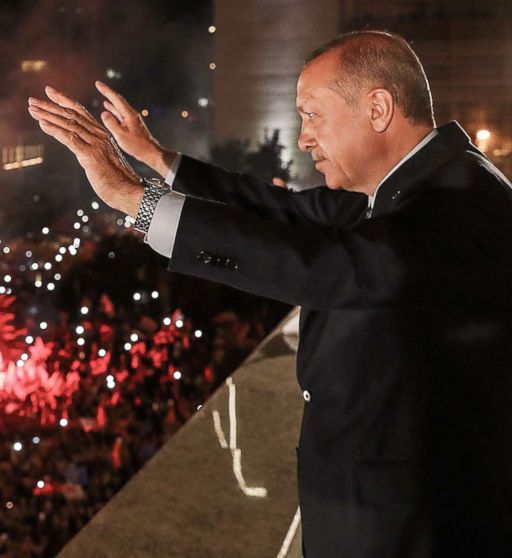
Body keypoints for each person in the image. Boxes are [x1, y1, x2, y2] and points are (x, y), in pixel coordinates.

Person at [28, 30, 512, 557]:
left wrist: (134, 199)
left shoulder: (458, 205)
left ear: (378, 108)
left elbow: (325, 266)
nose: (304, 138)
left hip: (415, 526)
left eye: (312, 114)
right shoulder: (407, 188)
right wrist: (158, 159)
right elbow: (280, 212)